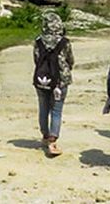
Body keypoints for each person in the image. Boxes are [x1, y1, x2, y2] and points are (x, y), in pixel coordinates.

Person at [33, 12, 73, 157]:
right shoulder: (64, 42)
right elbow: (70, 60)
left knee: (43, 108)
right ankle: (53, 140)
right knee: (56, 110)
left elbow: (36, 59)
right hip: (60, 81)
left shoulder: (38, 40)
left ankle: (45, 135)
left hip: (42, 79)